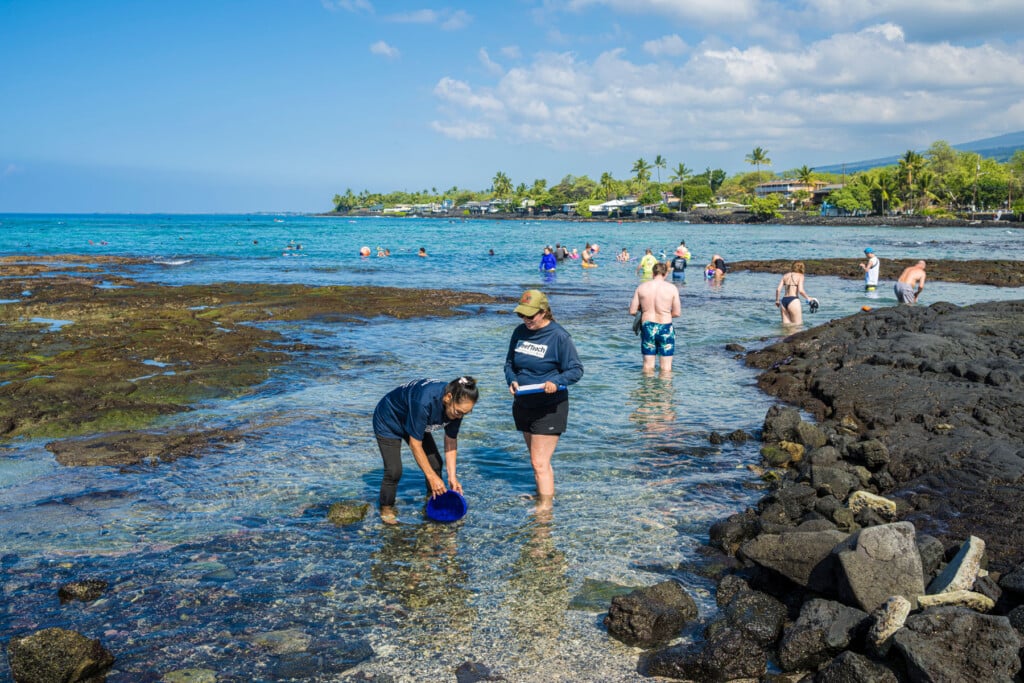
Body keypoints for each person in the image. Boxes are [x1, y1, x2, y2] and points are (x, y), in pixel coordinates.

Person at [504, 290, 584, 509]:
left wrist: (556, 382)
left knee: (539, 462)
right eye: (522, 315)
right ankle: (542, 496)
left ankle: (545, 510)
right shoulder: (520, 332)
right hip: (523, 404)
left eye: (530, 316)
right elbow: (509, 364)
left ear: (544, 312)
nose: (526, 320)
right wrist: (511, 380)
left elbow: (576, 370)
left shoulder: (559, 336)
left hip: (550, 407)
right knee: (537, 461)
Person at [372, 377, 479, 524]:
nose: (459, 416)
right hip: (389, 420)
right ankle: (386, 508)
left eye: (465, 413)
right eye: (458, 412)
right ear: (448, 398)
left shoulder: (457, 406)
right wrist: (431, 477)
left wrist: (452, 477)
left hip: (414, 420)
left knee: (435, 464)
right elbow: (415, 445)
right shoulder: (424, 401)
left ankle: (432, 501)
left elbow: (451, 440)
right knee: (394, 471)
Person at [629, 262, 681, 374]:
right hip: (665, 327)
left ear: (653, 273)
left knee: (647, 367)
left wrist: (646, 312)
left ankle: (648, 391)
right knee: (666, 369)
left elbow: (632, 311)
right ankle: (664, 391)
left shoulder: (641, 287)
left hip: (647, 326)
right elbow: (677, 313)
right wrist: (665, 313)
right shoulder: (672, 288)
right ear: (666, 273)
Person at [775, 261, 815, 325]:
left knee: (786, 327)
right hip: (793, 301)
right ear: (802, 268)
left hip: (783, 301)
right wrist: (808, 298)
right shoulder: (800, 276)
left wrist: (777, 300)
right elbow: (801, 291)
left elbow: (778, 289)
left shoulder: (785, 275)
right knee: (797, 325)